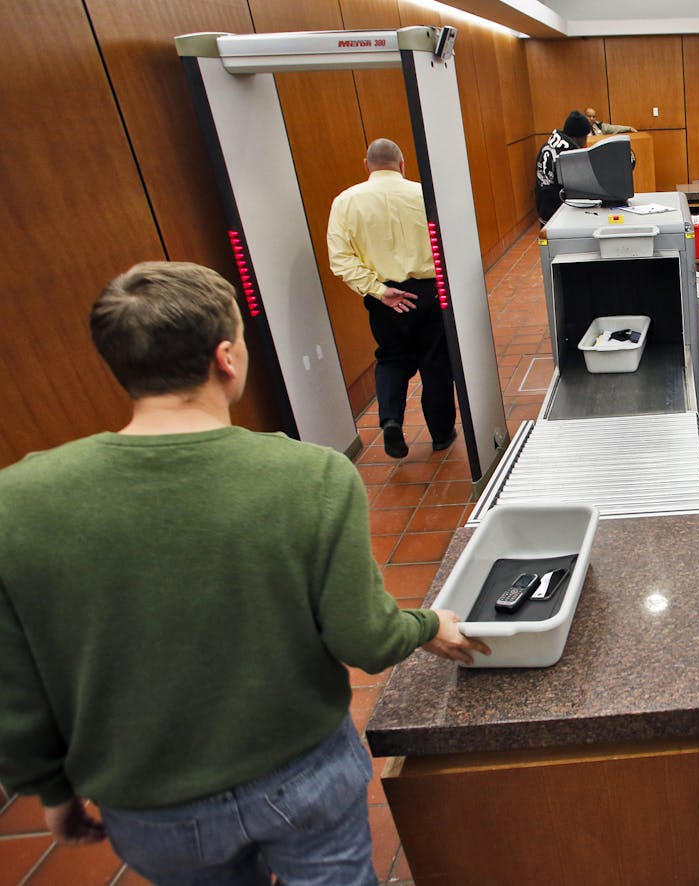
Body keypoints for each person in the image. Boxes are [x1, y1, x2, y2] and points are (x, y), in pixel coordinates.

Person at [0, 261, 486, 884]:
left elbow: (17, 684)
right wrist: (428, 624)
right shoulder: (309, 476)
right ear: (226, 358)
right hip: (301, 772)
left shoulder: (19, 503)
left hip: (149, 802)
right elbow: (364, 639)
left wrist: (49, 788)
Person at [328, 138, 457, 460]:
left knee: (391, 359)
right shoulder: (424, 194)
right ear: (402, 164)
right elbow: (450, 240)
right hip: (429, 291)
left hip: (384, 296)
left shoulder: (344, 202)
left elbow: (340, 259)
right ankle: (441, 435)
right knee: (436, 363)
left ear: (366, 165)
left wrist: (378, 290)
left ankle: (390, 421)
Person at [535, 110, 593, 223]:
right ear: (577, 137)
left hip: (544, 211)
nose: (586, 142)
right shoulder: (569, 155)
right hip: (558, 215)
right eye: (585, 137)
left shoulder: (547, 146)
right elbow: (578, 190)